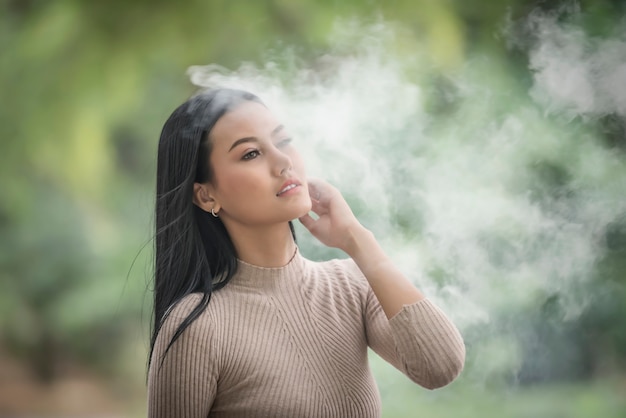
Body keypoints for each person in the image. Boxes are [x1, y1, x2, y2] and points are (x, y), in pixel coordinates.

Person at [147, 88, 465, 418]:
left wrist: (357, 240)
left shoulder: (349, 286)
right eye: (251, 154)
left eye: (283, 141)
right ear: (206, 196)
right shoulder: (197, 327)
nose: (284, 162)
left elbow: (439, 368)